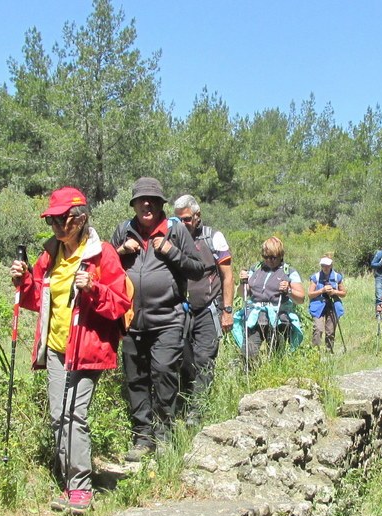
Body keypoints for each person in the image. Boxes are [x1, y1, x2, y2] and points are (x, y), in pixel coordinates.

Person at [10, 187, 130, 515]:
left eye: (63, 219)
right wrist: (22, 282)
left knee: (74, 415)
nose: (58, 227)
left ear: (80, 218)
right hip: (55, 348)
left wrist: (93, 289)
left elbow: (120, 303)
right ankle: (69, 482)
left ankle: (80, 488)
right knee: (56, 416)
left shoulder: (101, 254)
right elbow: (37, 298)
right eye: (52, 221)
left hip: (87, 349)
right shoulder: (50, 254)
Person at [111, 177, 205, 461]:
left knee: (164, 373)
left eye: (152, 200)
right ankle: (143, 437)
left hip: (168, 319)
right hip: (131, 322)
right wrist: (119, 252)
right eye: (141, 200)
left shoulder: (175, 231)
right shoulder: (122, 231)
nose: (147, 204)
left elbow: (198, 269)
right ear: (135, 204)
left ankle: (164, 434)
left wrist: (170, 251)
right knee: (136, 379)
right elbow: (105, 270)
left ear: (161, 204)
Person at [172, 194, 235, 418]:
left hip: (209, 310)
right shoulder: (172, 239)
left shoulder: (213, 237)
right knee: (182, 359)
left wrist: (227, 311)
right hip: (180, 311)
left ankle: (197, 412)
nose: (183, 224)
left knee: (203, 359)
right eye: (178, 219)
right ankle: (183, 404)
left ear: (197, 216)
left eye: (187, 219)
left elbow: (227, 276)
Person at [239, 236, 306, 359]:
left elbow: (301, 298)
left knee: (276, 356)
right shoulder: (256, 269)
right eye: (266, 257)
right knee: (248, 354)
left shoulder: (289, 271)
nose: (269, 261)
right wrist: (243, 282)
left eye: (273, 257)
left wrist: (288, 290)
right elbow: (242, 293)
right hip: (255, 316)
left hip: (278, 317)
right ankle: (253, 375)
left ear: (280, 255)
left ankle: (275, 376)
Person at [307, 253, 346, 352]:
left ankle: (329, 352)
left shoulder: (337, 277)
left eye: (327, 265)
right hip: (318, 305)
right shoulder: (315, 277)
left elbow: (344, 293)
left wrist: (334, 292)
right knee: (318, 329)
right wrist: (322, 290)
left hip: (333, 304)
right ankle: (315, 353)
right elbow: (310, 294)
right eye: (323, 265)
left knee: (330, 331)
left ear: (331, 265)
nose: (325, 267)